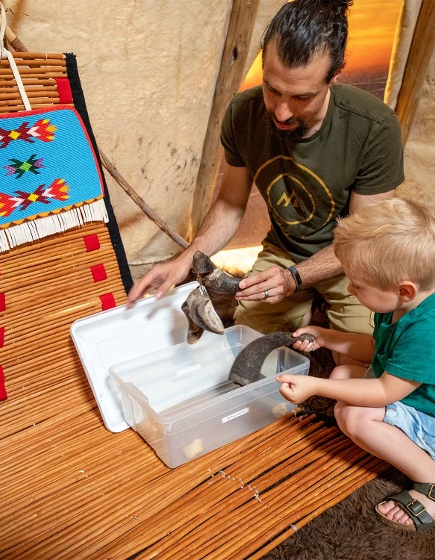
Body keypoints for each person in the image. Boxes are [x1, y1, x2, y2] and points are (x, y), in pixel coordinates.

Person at [127, 0, 404, 339]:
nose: (283, 112)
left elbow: (363, 239)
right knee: (246, 348)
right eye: (272, 89)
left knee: (371, 359)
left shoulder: (374, 127)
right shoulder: (243, 113)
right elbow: (230, 204)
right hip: (285, 251)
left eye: (302, 97)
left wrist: (296, 279)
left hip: (355, 261)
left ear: (334, 76)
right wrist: (186, 258)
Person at [275, 198, 435, 532]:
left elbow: (384, 390)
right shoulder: (401, 305)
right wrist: (326, 335)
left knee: (355, 413)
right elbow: (379, 348)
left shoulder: (431, 331)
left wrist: (315, 386)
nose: (350, 289)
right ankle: (395, 442)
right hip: (423, 404)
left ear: (403, 289)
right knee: (343, 373)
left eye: (357, 285)